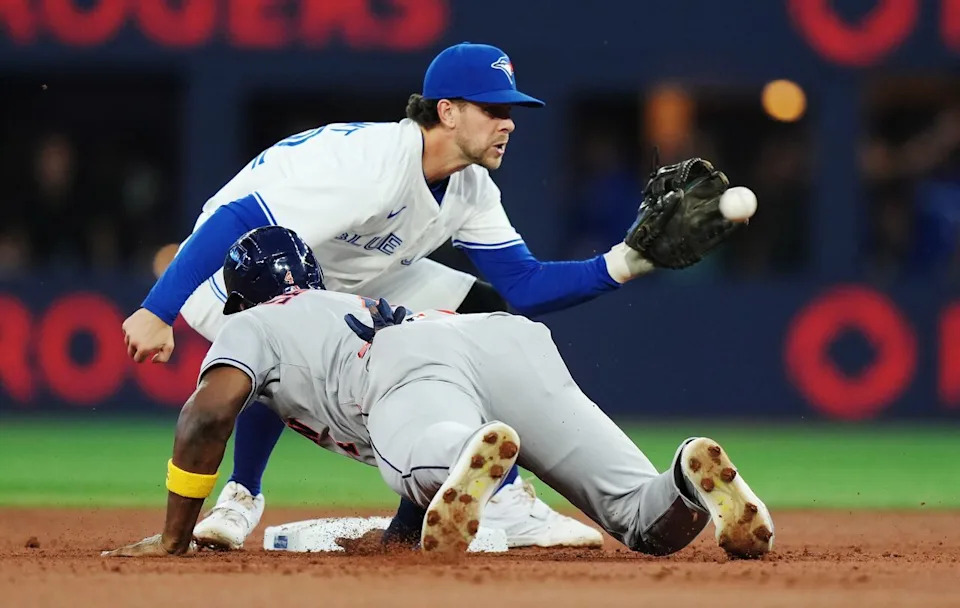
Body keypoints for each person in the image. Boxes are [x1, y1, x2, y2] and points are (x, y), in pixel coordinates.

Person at [120, 41, 738, 551]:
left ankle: (489, 496)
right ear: (446, 112)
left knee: (487, 316)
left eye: (511, 108)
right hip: (236, 264)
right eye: (493, 107)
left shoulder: (470, 186)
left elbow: (523, 286)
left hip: (354, 267)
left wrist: (626, 261)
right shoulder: (369, 163)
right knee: (277, 349)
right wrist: (158, 308)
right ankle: (242, 493)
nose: (509, 121)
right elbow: (231, 221)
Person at [104, 226, 774, 559]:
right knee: (640, 522)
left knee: (434, 458)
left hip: (408, 374)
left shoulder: (249, 323)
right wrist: (399, 534)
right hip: (501, 340)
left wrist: (174, 536)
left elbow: (207, 414)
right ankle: (685, 477)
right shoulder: (339, 303)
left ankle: (471, 448)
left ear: (240, 295)